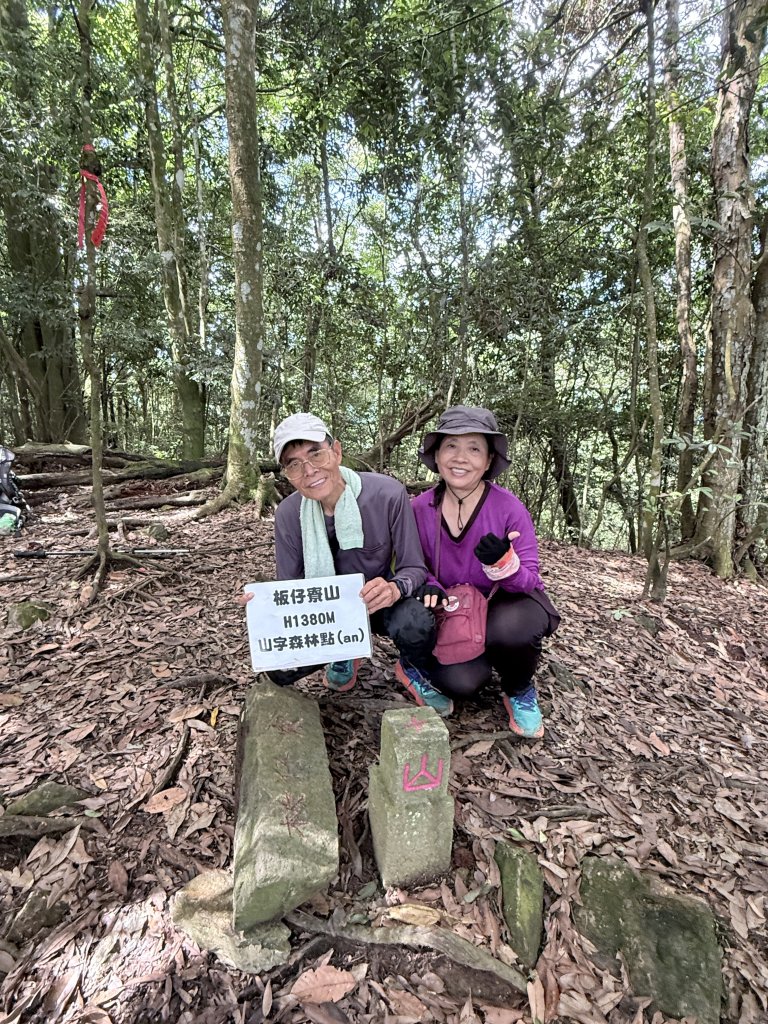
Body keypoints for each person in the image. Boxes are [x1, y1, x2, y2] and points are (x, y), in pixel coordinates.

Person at [240, 412, 452, 715]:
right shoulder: (289, 514)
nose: (309, 469)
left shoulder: (386, 494)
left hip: (377, 602)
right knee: (279, 671)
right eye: (294, 464)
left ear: (336, 451)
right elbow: (289, 589)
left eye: (316, 453)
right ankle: (345, 652)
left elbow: (414, 568)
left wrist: (394, 588)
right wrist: (264, 608)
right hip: (327, 615)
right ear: (286, 473)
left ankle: (411, 669)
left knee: (415, 623)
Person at [409, 406, 560, 738]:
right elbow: (412, 564)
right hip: (453, 610)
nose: (460, 457)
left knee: (513, 629)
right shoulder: (419, 509)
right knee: (461, 683)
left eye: (474, 448)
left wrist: (503, 563)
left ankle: (519, 689)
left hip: (503, 603)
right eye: (451, 446)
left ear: (489, 460)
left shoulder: (509, 508)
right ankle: (422, 666)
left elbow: (530, 580)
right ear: (437, 454)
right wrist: (431, 585)